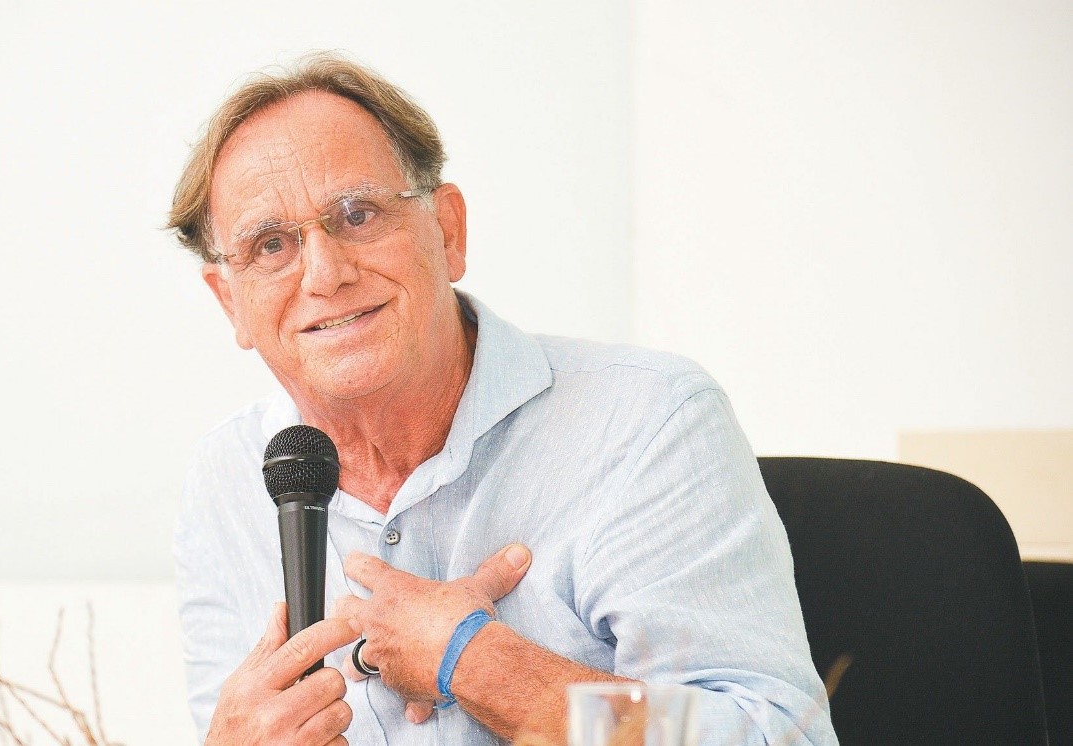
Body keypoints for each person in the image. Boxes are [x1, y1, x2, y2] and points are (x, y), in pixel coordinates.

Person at [168, 52, 837, 746]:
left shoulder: (648, 422)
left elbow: (777, 735)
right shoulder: (224, 481)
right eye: (270, 245)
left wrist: (481, 664)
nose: (325, 273)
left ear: (447, 231)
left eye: (358, 214)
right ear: (230, 304)